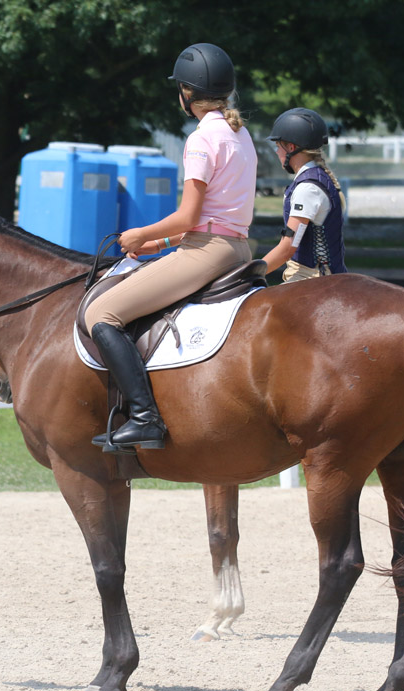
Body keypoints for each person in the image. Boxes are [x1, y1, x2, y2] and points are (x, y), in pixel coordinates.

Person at [83, 42, 257, 452]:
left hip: (207, 252)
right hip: (238, 249)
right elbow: (216, 217)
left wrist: (140, 234)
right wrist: (160, 243)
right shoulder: (240, 134)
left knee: (101, 312)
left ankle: (145, 418)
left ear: (187, 93)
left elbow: (189, 217)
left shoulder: (200, 140)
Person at [260, 107, 348, 283]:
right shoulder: (317, 177)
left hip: (310, 278)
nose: (277, 152)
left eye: (278, 146)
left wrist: (252, 272)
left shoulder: (307, 189)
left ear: (291, 147)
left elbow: (287, 248)